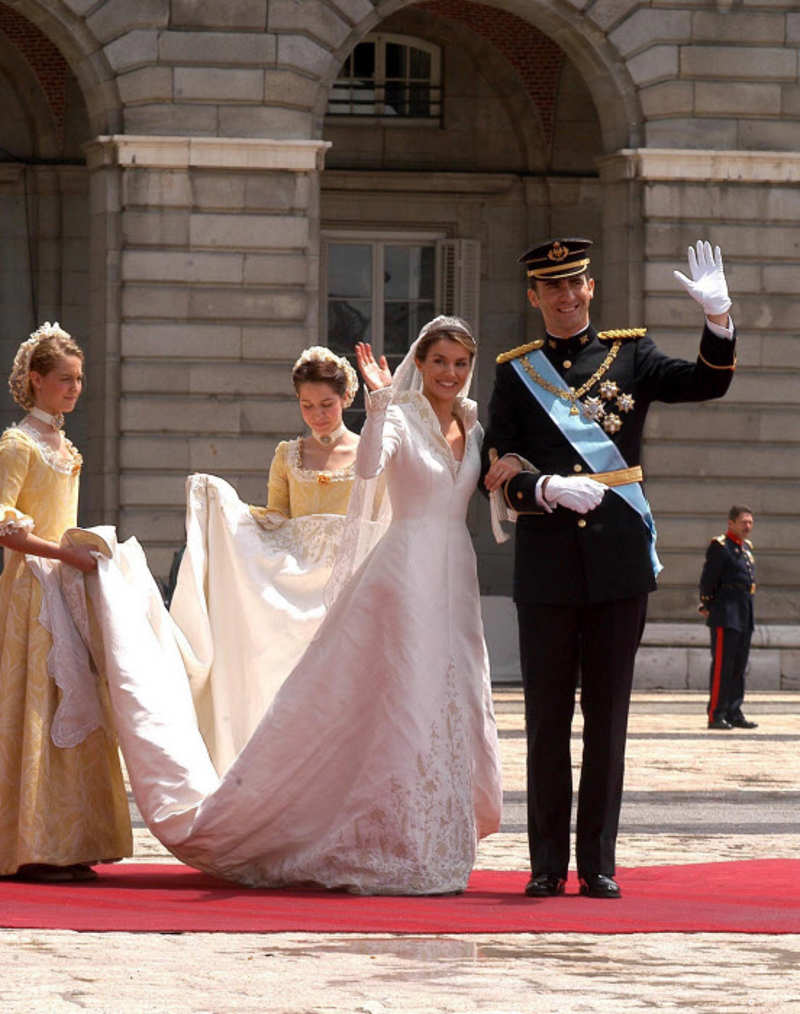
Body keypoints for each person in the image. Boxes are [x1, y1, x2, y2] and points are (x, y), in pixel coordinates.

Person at [80, 316, 501, 895]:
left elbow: (490, 490)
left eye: (460, 364)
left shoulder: (475, 426)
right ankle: (391, 838)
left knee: (449, 700)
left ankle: (435, 836)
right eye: (439, 363)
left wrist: (519, 470)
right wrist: (378, 404)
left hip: (455, 574)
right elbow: (370, 468)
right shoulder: (398, 414)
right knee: (404, 700)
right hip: (404, 574)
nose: (450, 374)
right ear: (420, 366)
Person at [482, 239, 736, 899]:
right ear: (534, 297)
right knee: (544, 721)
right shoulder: (517, 372)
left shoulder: (633, 355)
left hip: (618, 563)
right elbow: (496, 464)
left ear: (591, 288)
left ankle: (597, 863)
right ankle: (544, 865)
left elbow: (707, 382)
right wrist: (541, 489)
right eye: (551, 288)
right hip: (545, 567)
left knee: (608, 719)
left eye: (575, 285)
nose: (565, 298)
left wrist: (717, 321)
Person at [169, 347, 365, 774]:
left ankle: (341, 772)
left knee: (343, 680)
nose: (317, 415)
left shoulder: (368, 454)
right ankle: (290, 771)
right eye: (307, 406)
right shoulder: (288, 455)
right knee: (289, 675)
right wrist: (224, 508)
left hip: (348, 580)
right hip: (299, 581)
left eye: (326, 405)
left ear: (346, 397)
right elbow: (277, 517)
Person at [0, 323, 132, 882]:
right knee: (37, 707)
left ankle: (72, 839)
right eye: (65, 380)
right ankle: (31, 846)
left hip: (67, 584)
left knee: (76, 706)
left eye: (80, 380)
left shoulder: (63, 442)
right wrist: (63, 555)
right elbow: (5, 523)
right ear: (37, 381)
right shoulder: (18, 442)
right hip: (33, 586)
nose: (75, 388)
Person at [699, 505, 757, 730]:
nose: (747, 526)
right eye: (743, 522)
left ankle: (734, 710)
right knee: (723, 665)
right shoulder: (720, 547)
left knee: (739, 666)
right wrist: (707, 603)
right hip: (726, 613)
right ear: (731, 523)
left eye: (750, 522)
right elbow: (709, 579)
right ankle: (716, 713)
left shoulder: (745, 549)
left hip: (744, 612)